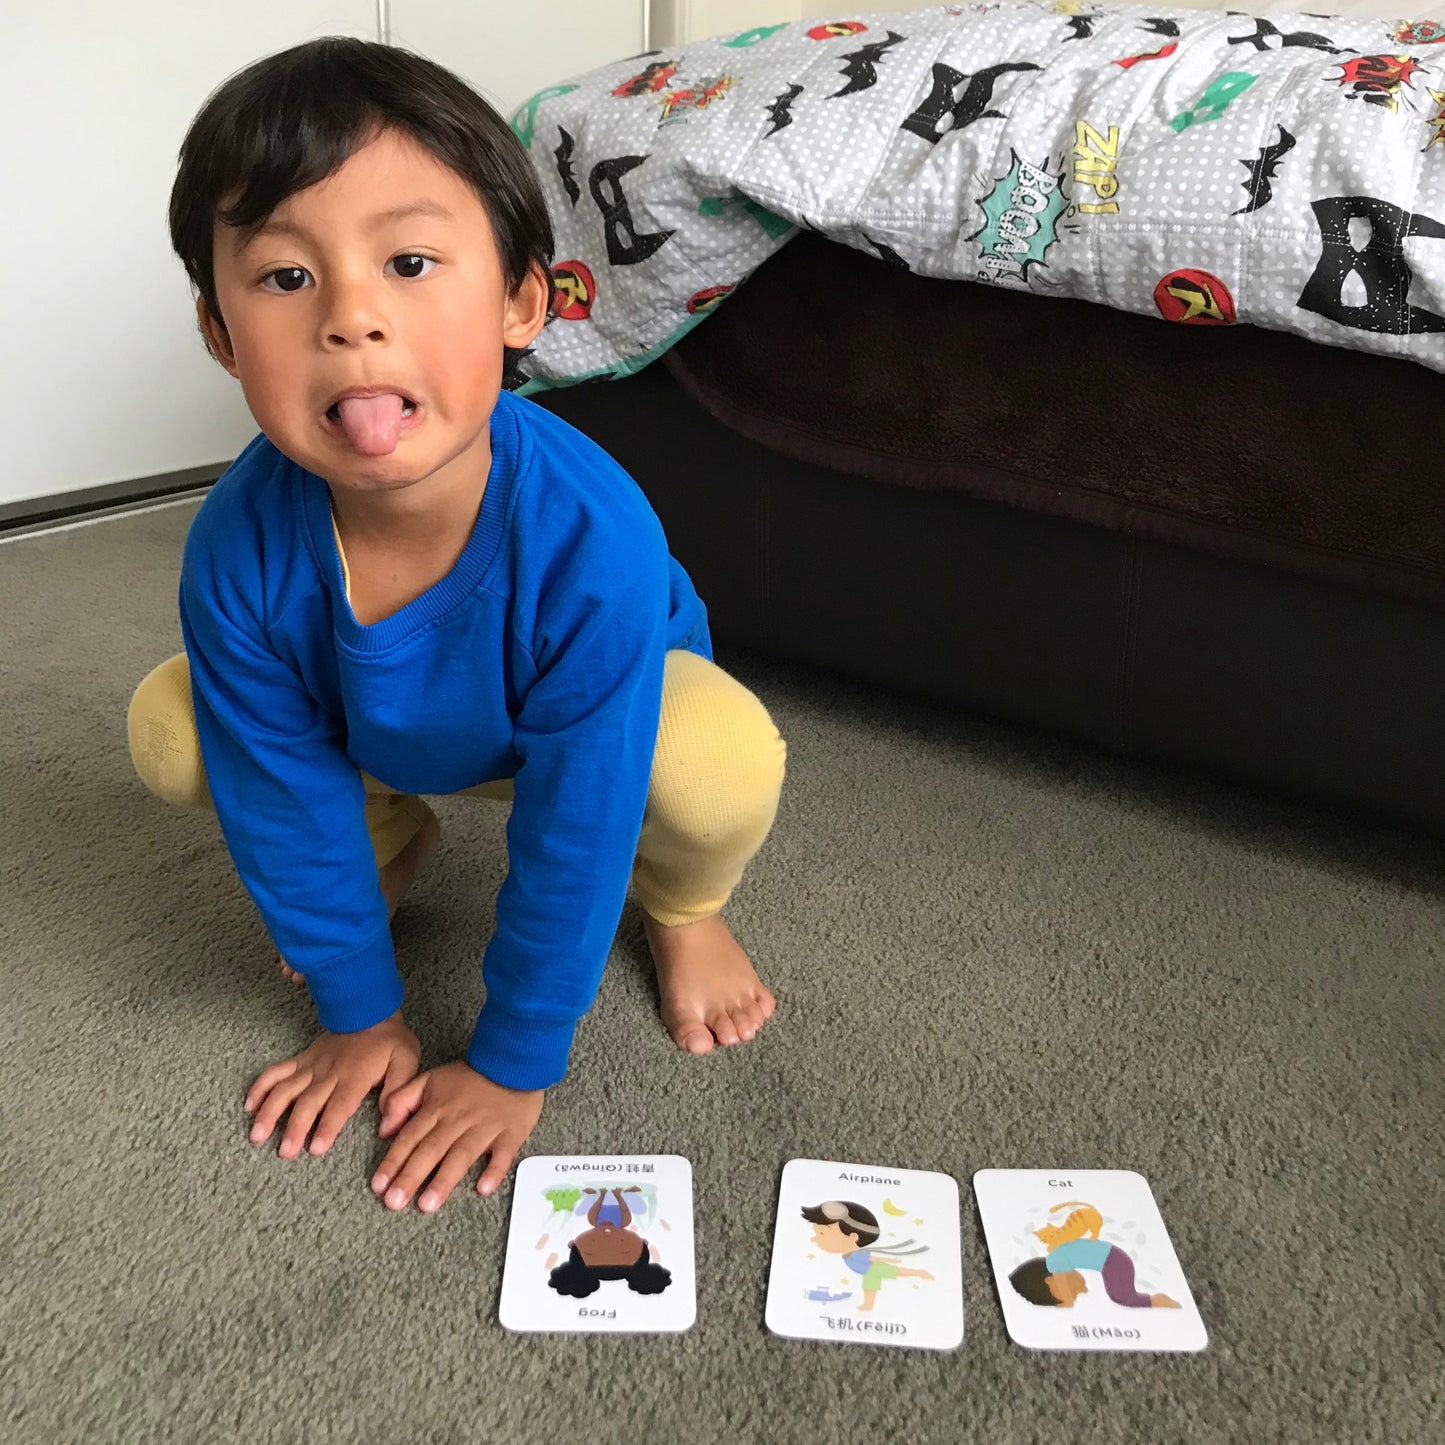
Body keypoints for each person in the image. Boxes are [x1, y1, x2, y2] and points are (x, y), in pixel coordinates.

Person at [126, 37, 786, 1215]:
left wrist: (511, 1059)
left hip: (586, 740)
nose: (352, 318)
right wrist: (358, 1012)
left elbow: (579, 820)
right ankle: (392, 840)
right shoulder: (237, 545)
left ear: (523, 302)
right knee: (177, 724)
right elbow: (273, 783)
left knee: (713, 763)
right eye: (285, 279)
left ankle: (686, 906)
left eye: (412, 260)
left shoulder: (593, 536)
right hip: (388, 725)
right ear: (222, 338)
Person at [801, 1201, 935, 1311]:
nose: (816, 1239)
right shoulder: (849, 1254)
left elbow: (873, 1259)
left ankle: (918, 1273)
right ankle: (869, 1305)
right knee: (877, 1283)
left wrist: (889, 1259)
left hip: (874, 1271)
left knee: (893, 1275)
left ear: (853, 1237)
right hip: (871, 1273)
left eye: (822, 1234)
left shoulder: (857, 1254)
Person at [1008, 1238, 1181, 1309]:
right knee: (1122, 1296)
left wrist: (1067, 1302)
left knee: (1122, 1297)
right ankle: (1159, 1302)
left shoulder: (1056, 1263)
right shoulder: (1059, 1259)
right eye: (1076, 1293)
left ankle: (1159, 1301)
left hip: (1114, 1261)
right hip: (1114, 1260)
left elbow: (1062, 1286)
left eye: (1074, 1291)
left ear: (1049, 1281)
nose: (1083, 1290)